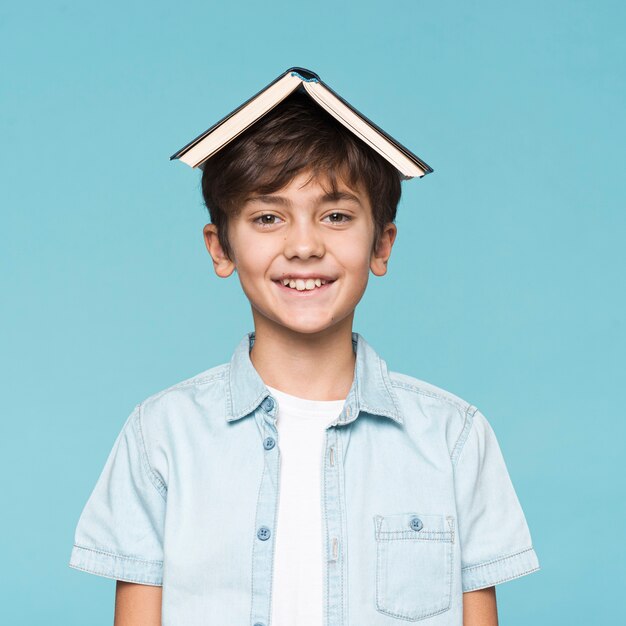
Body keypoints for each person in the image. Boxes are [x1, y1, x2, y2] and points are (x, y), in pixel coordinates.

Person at [68, 88, 540, 626]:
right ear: (220, 249)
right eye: (268, 218)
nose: (304, 245)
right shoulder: (160, 435)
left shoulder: (454, 438)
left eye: (336, 216)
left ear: (381, 246)